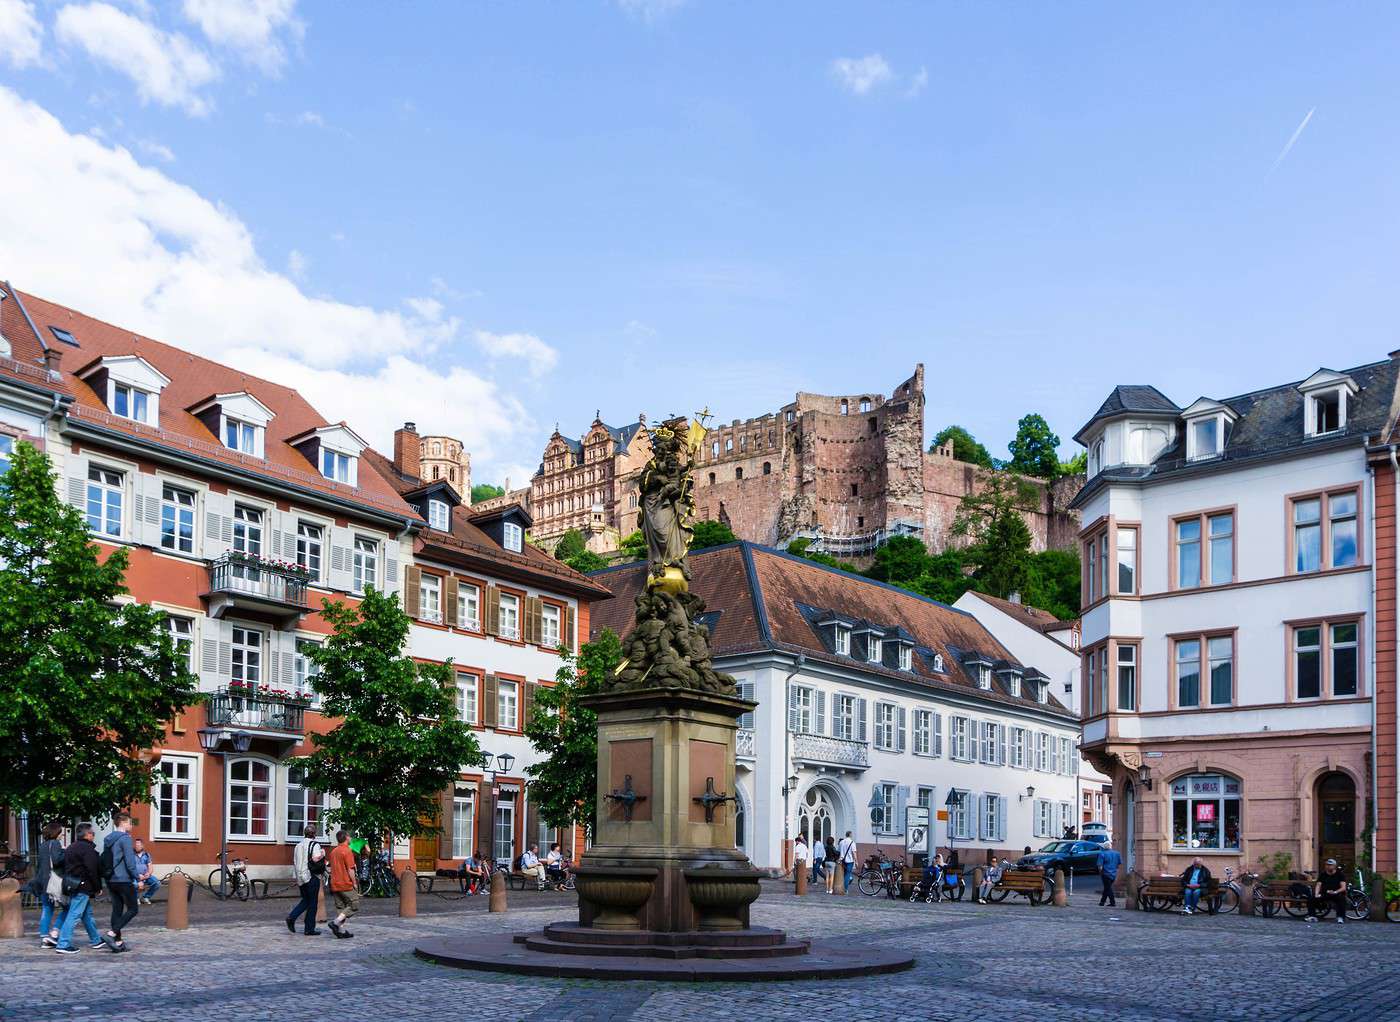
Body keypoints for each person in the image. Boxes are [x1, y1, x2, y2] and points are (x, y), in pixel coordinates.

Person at [54, 823, 107, 955]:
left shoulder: (71, 847)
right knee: (75, 914)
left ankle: (96, 940)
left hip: (72, 884)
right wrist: (98, 887)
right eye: (93, 833)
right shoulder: (88, 849)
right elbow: (92, 870)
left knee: (86, 914)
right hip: (83, 886)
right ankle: (63, 943)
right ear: (88, 835)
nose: (94, 836)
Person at [102, 811, 140, 951]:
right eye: (130, 823)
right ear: (123, 823)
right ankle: (111, 933)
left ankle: (117, 943)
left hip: (111, 878)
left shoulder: (108, 839)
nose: (131, 825)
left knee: (117, 910)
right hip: (123, 879)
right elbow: (130, 862)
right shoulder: (125, 838)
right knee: (133, 909)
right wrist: (137, 876)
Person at [30, 821, 66, 948]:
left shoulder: (43, 845)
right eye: (61, 832)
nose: (62, 834)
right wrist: (65, 853)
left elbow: (40, 865)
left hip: (43, 881)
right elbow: (56, 861)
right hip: (54, 882)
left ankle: (44, 936)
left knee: (46, 909)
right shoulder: (55, 844)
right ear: (56, 833)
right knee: (67, 908)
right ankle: (55, 931)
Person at [286, 824, 324, 936]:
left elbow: (295, 861)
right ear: (314, 834)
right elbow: (316, 859)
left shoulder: (298, 845)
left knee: (306, 900)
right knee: (312, 903)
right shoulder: (315, 845)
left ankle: (292, 917)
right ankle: (308, 928)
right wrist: (323, 854)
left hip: (300, 877)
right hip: (311, 876)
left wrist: (297, 877)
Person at [326, 831, 359, 939]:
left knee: (341, 907)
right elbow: (350, 869)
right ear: (346, 838)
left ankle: (341, 931)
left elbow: (329, 868)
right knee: (354, 904)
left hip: (334, 883)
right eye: (349, 836)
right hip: (345, 883)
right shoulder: (347, 851)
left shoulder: (334, 851)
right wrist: (354, 883)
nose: (350, 838)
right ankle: (335, 923)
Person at [1310, 858, 1349, 924]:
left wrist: (1335, 892)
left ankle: (1340, 917)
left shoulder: (1340, 875)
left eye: (1330, 865)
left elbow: (1343, 887)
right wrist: (1316, 894)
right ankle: (1312, 916)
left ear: (1334, 866)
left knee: (1342, 899)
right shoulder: (1323, 874)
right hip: (1325, 893)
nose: (1328, 866)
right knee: (1312, 899)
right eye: (1327, 865)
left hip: (1336, 893)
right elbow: (1318, 885)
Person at [1096, 840, 1122, 908]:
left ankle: (1112, 902)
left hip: (1105, 873)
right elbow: (1119, 864)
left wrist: (1100, 872)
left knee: (1108, 888)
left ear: (1104, 847)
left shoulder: (1102, 854)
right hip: (1113, 873)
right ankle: (1102, 902)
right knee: (1107, 888)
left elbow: (1100, 866)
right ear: (1110, 846)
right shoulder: (1117, 853)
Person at [133, 838, 159, 905]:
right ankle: (136, 898)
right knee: (135, 885)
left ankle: (146, 897)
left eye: (138, 845)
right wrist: (138, 876)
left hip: (145, 875)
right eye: (136, 845)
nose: (137, 846)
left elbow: (150, 866)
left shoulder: (147, 855)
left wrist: (148, 873)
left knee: (157, 883)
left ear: (142, 846)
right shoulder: (131, 855)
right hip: (135, 876)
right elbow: (130, 867)